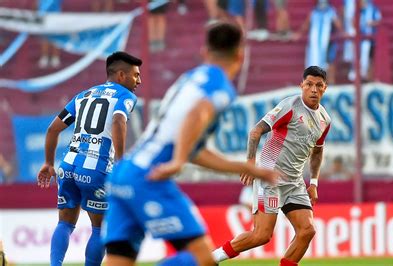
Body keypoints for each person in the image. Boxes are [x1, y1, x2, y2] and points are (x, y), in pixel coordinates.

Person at [101, 23, 278, 266]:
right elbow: (197, 114)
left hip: (124, 173)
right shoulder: (220, 87)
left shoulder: (189, 79)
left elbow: (194, 150)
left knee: (119, 261)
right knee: (202, 259)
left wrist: (247, 168)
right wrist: (178, 161)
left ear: (205, 52)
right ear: (241, 55)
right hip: (149, 178)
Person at [212, 66, 332, 266]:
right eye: (309, 84)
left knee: (307, 230)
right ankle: (212, 258)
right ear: (301, 85)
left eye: (319, 86)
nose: (313, 90)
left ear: (325, 89)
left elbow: (318, 150)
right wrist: (250, 164)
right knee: (262, 235)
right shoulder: (290, 106)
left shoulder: (324, 120)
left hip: (294, 183)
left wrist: (314, 182)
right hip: (271, 178)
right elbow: (255, 131)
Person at [36, 51, 142, 266]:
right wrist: (121, 163)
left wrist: (48, 163)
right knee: (99, 228)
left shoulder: (84, 95)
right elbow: (119, 121)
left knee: (64, 223)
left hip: (68, 166)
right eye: (136, 75)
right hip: (96, 170)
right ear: (121, 75)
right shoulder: (125, 96)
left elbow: (52, 129)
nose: (139, 81)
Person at [293, 0, 343, 84]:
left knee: (329, 62)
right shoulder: (314, 12)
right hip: (315, 43)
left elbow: (338, 24)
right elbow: (306, 24)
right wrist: (299, 33)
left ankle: (331, 82)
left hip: (328, 42)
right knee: (314, 61)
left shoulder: (331, 11)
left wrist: (342, 32)